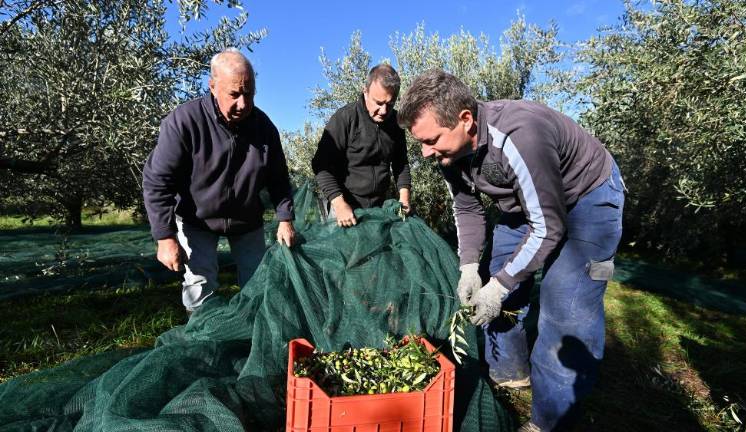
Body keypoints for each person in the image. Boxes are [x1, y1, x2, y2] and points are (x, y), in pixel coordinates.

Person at [398, 69, 625, 432]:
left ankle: (550, 421)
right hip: (525, 204)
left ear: (465, 120)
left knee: (565, 306)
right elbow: (468, 208)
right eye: (420, 142)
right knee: (498, 278)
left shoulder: (520, 136)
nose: (425, 152)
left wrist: (500, 285)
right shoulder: (449, 154)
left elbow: (549, 227)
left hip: (589, 199)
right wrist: (470, 266)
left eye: (431, 139)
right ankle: (510, 373)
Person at [142, 48, 295, 314]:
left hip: (246, 220)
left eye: (249, 94)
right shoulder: (184, 121)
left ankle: (254, 341)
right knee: (199, 288)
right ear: (213, 87)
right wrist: (165, 237)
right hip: (196, 218)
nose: (243, 104)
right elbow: (158, 181)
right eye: (234, 94)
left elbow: (279, 178)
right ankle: (203, 342)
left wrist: (285, 218)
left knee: (258, 287)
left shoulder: (264, 128)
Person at [312, 64, 411, 227]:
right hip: (344, 208)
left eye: (390, 103)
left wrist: (405, 198)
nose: (384, 110)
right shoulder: (345, 118)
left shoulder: (395, 122)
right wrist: (339, 204)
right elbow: (321, 165)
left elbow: (401, 163)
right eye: (378, 103)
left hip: (378, 209)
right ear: (365, 91)